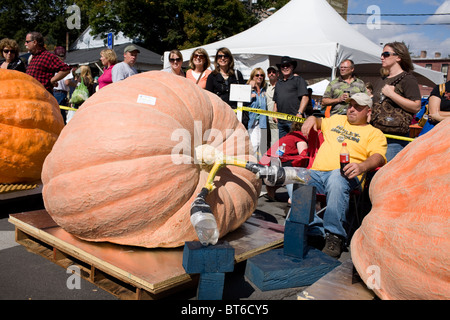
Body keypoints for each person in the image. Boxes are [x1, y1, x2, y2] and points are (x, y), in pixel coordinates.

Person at [301, 93, 387, 258]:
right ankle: (315, 228)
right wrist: (312, 118)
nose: (351, 109)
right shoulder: (337, 120)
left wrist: (362, 166)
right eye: (350, 105)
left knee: (336, 177)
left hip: (347, 175)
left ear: (368, 111)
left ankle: (335, 236)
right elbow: (319, 122)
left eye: (357, 107)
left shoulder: (374, 133)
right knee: (295, 178)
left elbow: (379, 157)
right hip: (317, 173)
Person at [370, 41, 421, 161]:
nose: (382, 57)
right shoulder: (382, 80)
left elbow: (416, 106)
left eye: (386, 54)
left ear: (398, 57)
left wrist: (392, 94)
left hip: (395, 139)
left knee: (387, 174)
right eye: (382, 54)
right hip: (376, 135)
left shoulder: (408, 79)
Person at [262, 121, 308, 205]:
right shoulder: (300, 136)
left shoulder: (289, 135)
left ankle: (272, 189)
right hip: (278, 165)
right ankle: (293, 197)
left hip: (266, 163)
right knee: (300, 168)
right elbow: (303, 155)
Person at [273, 56, 309, 139]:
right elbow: (276, 100)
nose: (285, 68)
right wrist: (274, 113)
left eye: (287, 65)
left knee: (297, 143)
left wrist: (299, 113)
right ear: (280, 68)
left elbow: (305, 97)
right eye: (283, 66)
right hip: (281, 121)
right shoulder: (278, 83)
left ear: (292, 67)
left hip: (294, 121)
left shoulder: (298, 80)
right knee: (282, 145)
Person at [246, 68, 268, 159]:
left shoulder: (264, 89)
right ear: (252, 77)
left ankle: (256, 164)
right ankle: (249, 163)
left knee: (259, 144)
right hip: (250, 121)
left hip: (261, 122)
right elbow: (240, 101)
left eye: (262, 75)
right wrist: (250, 92)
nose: (259, 77)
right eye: (257, 75)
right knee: (252, 144)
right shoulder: (247, 87)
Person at [52, 46, 76, 123]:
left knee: (54, 114)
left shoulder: (52, 66)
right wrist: (76, 85)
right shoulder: (66, 66)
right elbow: (67, 82)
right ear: (65, 56)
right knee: (61, 116)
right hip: (61, 93)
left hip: (52, 91)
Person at [266, 66, 279, 148]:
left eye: (273, 72)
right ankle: (263, 159)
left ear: (277, 74)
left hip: (275, 119)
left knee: (275, 140)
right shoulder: (265, 86)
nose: (271, 74)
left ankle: (274, 159)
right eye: (269, 72)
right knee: (264, 140)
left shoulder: (281, 85)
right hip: (264, 119)